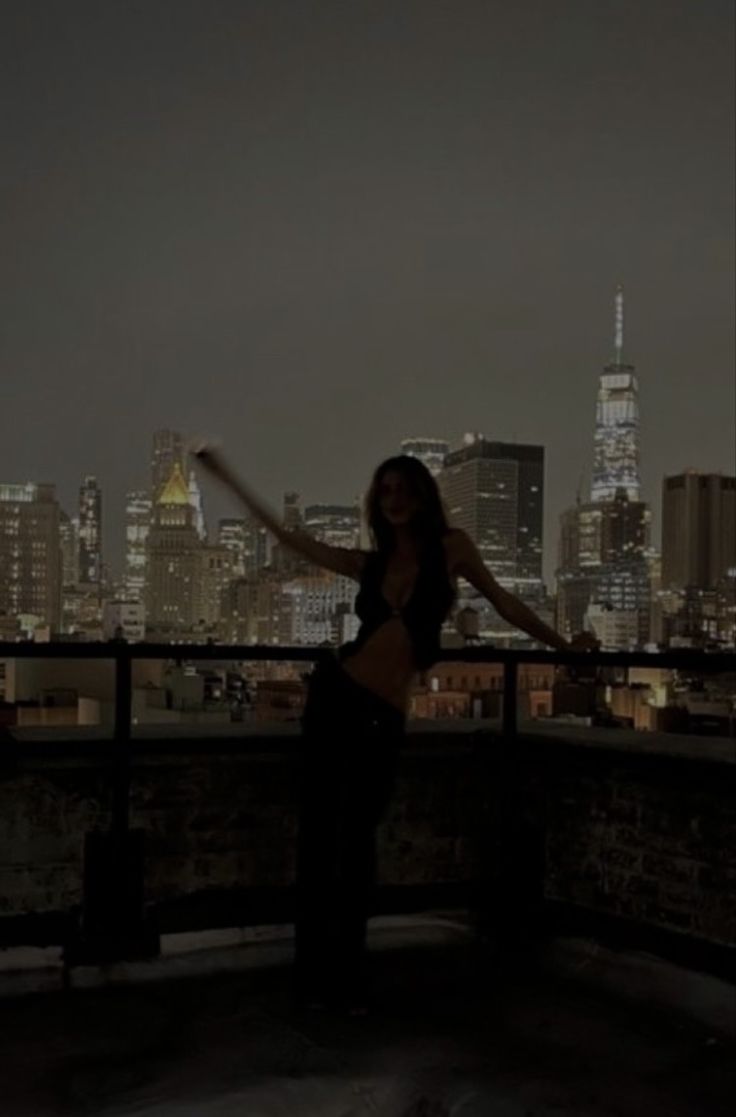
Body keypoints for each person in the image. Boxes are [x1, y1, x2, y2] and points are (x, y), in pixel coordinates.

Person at [191, 445, 595, 1014]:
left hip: (382, 716)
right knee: (318, 840)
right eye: (385, 490)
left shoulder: (453, 550)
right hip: (335, 698)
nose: (395, 498)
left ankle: (346, 975)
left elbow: (505, 604)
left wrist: (563, 648)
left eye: (404, 488)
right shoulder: (369, 564)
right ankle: (313, 977)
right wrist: (230, 478)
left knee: (356, 844)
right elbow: (291, 542)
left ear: (423, 496)